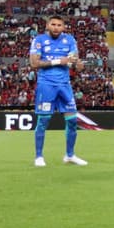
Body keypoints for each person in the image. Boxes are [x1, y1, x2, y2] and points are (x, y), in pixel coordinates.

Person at [28, 14, 85, 166]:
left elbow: (74, 61)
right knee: (43, 121)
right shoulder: (39, 40)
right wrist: (59, 61)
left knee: (72, 121)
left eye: (59, 25)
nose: (56, 27)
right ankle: (39, 156)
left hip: (64, 85)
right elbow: (34, 63)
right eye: (53, 24)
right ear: (47, 25)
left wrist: (77, 64)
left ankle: (70, 155)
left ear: (64, 27)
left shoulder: (70, 40)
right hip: (46, 85)